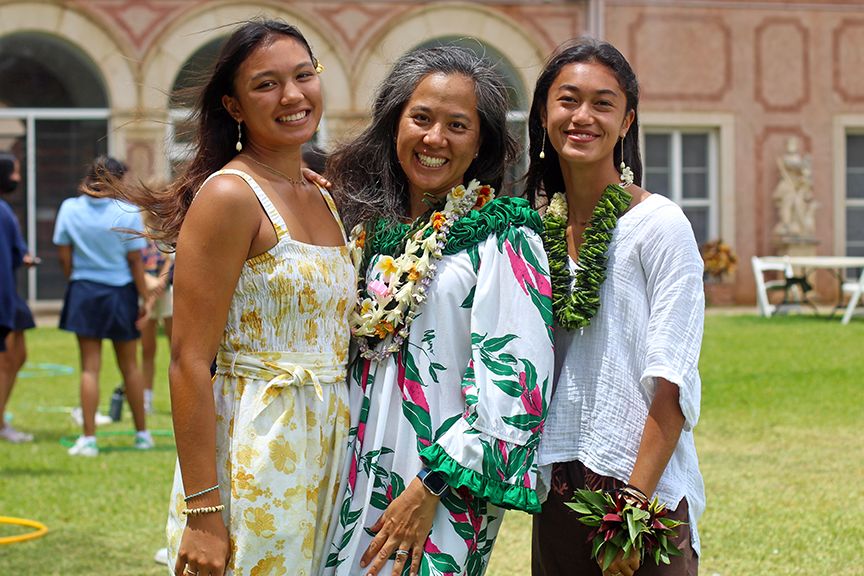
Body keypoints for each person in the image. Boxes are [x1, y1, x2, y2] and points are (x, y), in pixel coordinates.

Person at [112, 19, 353, 576]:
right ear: (235, 106)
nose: (292, 96)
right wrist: (203, 512)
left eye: (302, 76)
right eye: (267, 84)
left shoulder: (322, 196)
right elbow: (189, 361)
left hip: (333, 450)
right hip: (257, 452)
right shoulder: (229, 195)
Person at [322, 47, 554, 576]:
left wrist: (431, 487)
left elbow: (519, 380)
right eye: (421, 118)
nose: (435, 139)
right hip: (344, 470)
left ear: (480, 143)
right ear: (394, 124)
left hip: (439, 487)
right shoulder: (362, 229)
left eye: (457, 125)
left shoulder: (504, 236)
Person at [525, 38, 705, 576]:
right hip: (557, 488)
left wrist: (633, 511)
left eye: (603, 103)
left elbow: (671, 380)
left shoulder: (660, 226)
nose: (584, 117)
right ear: (543, 113)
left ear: (627, 122)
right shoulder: (534, 233)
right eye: (568, 100)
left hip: (639, 494)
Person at [53, 156, 155, 456]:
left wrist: (77, 279)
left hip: (84, 291)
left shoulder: (69, 208)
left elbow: (63, 255)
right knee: (130, 367)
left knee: (90, 368)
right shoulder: (128, 211)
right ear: (118, 180)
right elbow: (135, 261)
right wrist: (144, 299)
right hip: (120, 294)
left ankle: (89, 439)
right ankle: (142, 435)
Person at [0, 150, 36, 443]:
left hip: (11, 292)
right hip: (4, 296)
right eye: (15, 172)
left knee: (17, 356)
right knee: (6, 360)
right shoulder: (2, 211)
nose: (18, 178)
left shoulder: (5, 210)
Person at [140, 211, 174, 414]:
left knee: (175, 348)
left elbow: (171, 260)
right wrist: (148, 291)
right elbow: (134, 261)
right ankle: (146, 400)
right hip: (144, 292)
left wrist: (160, 284)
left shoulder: (170, 230)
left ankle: (178, 398)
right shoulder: (138, 232)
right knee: (147, 349)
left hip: (167, 293)